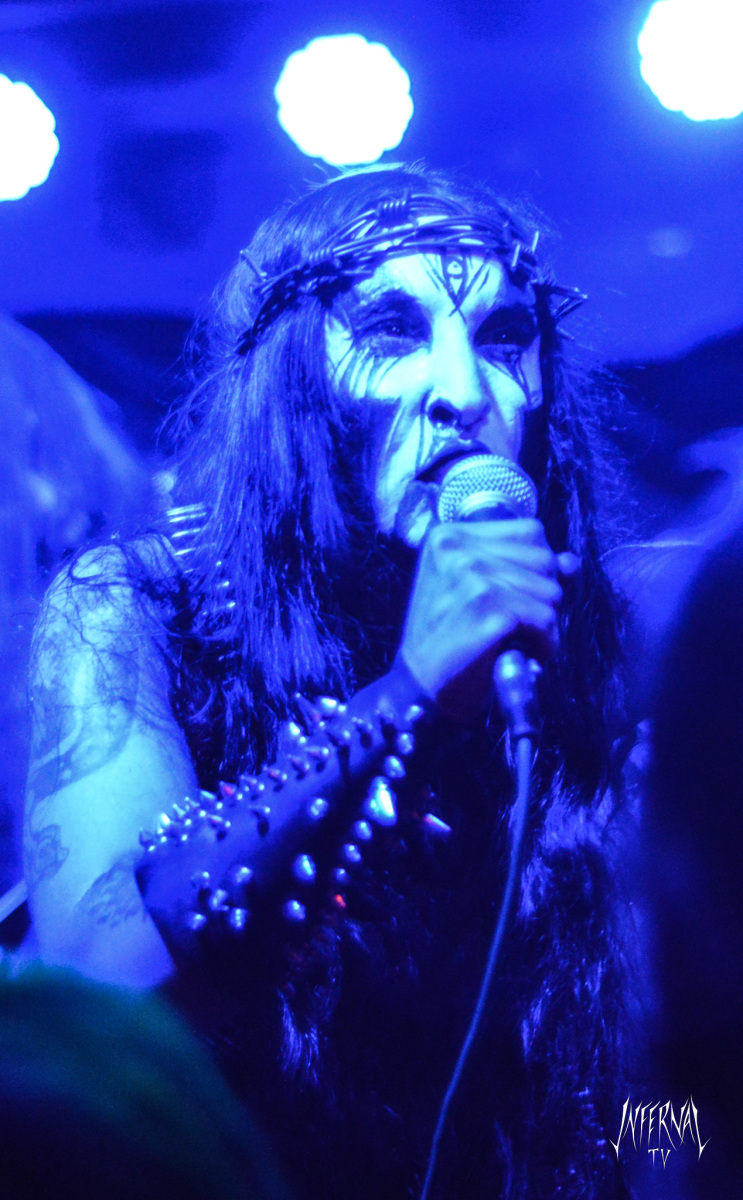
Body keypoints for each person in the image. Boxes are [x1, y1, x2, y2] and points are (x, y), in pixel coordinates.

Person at [25, 164, 634, 1199]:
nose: (463, 392)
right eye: (392, 331)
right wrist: (406, 703)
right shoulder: (145, 610)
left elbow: (669, 1071)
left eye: (501, 339)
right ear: (292, 385)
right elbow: (98, 997)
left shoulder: (605, 646)